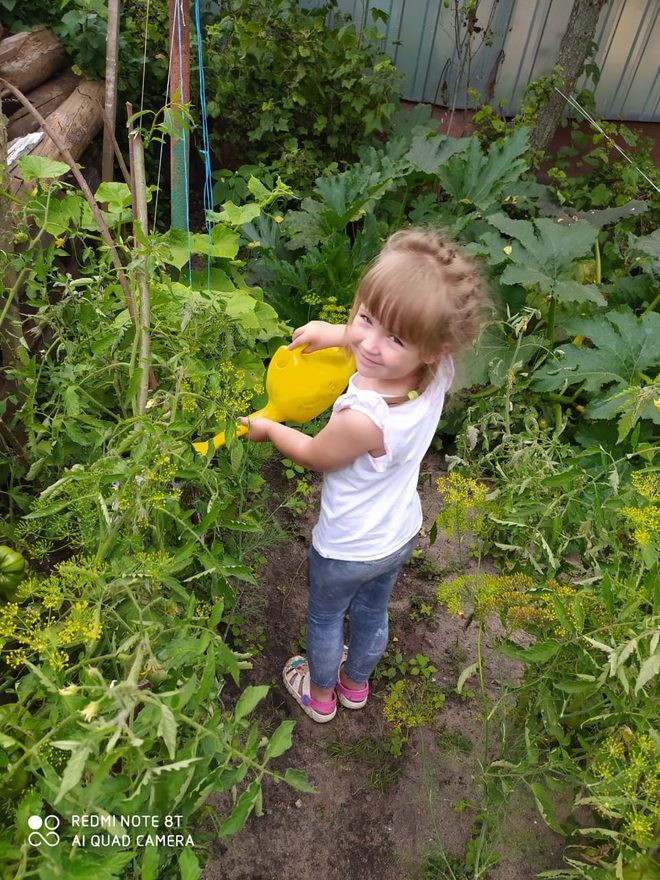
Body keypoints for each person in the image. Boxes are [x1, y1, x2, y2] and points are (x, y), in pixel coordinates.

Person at [240, 229, 487, 722]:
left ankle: (322, 693)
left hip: (347, 546)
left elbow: (314, 454)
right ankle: (357, 686)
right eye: (365, 317)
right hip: (398, 533)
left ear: (431, 348)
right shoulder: (434, 373)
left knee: (327, 616)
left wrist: (269, 429)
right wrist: (336, 333)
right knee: (374, 612)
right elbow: (377, 342)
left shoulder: (361, 416)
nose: (370, 344)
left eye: (393, 337)